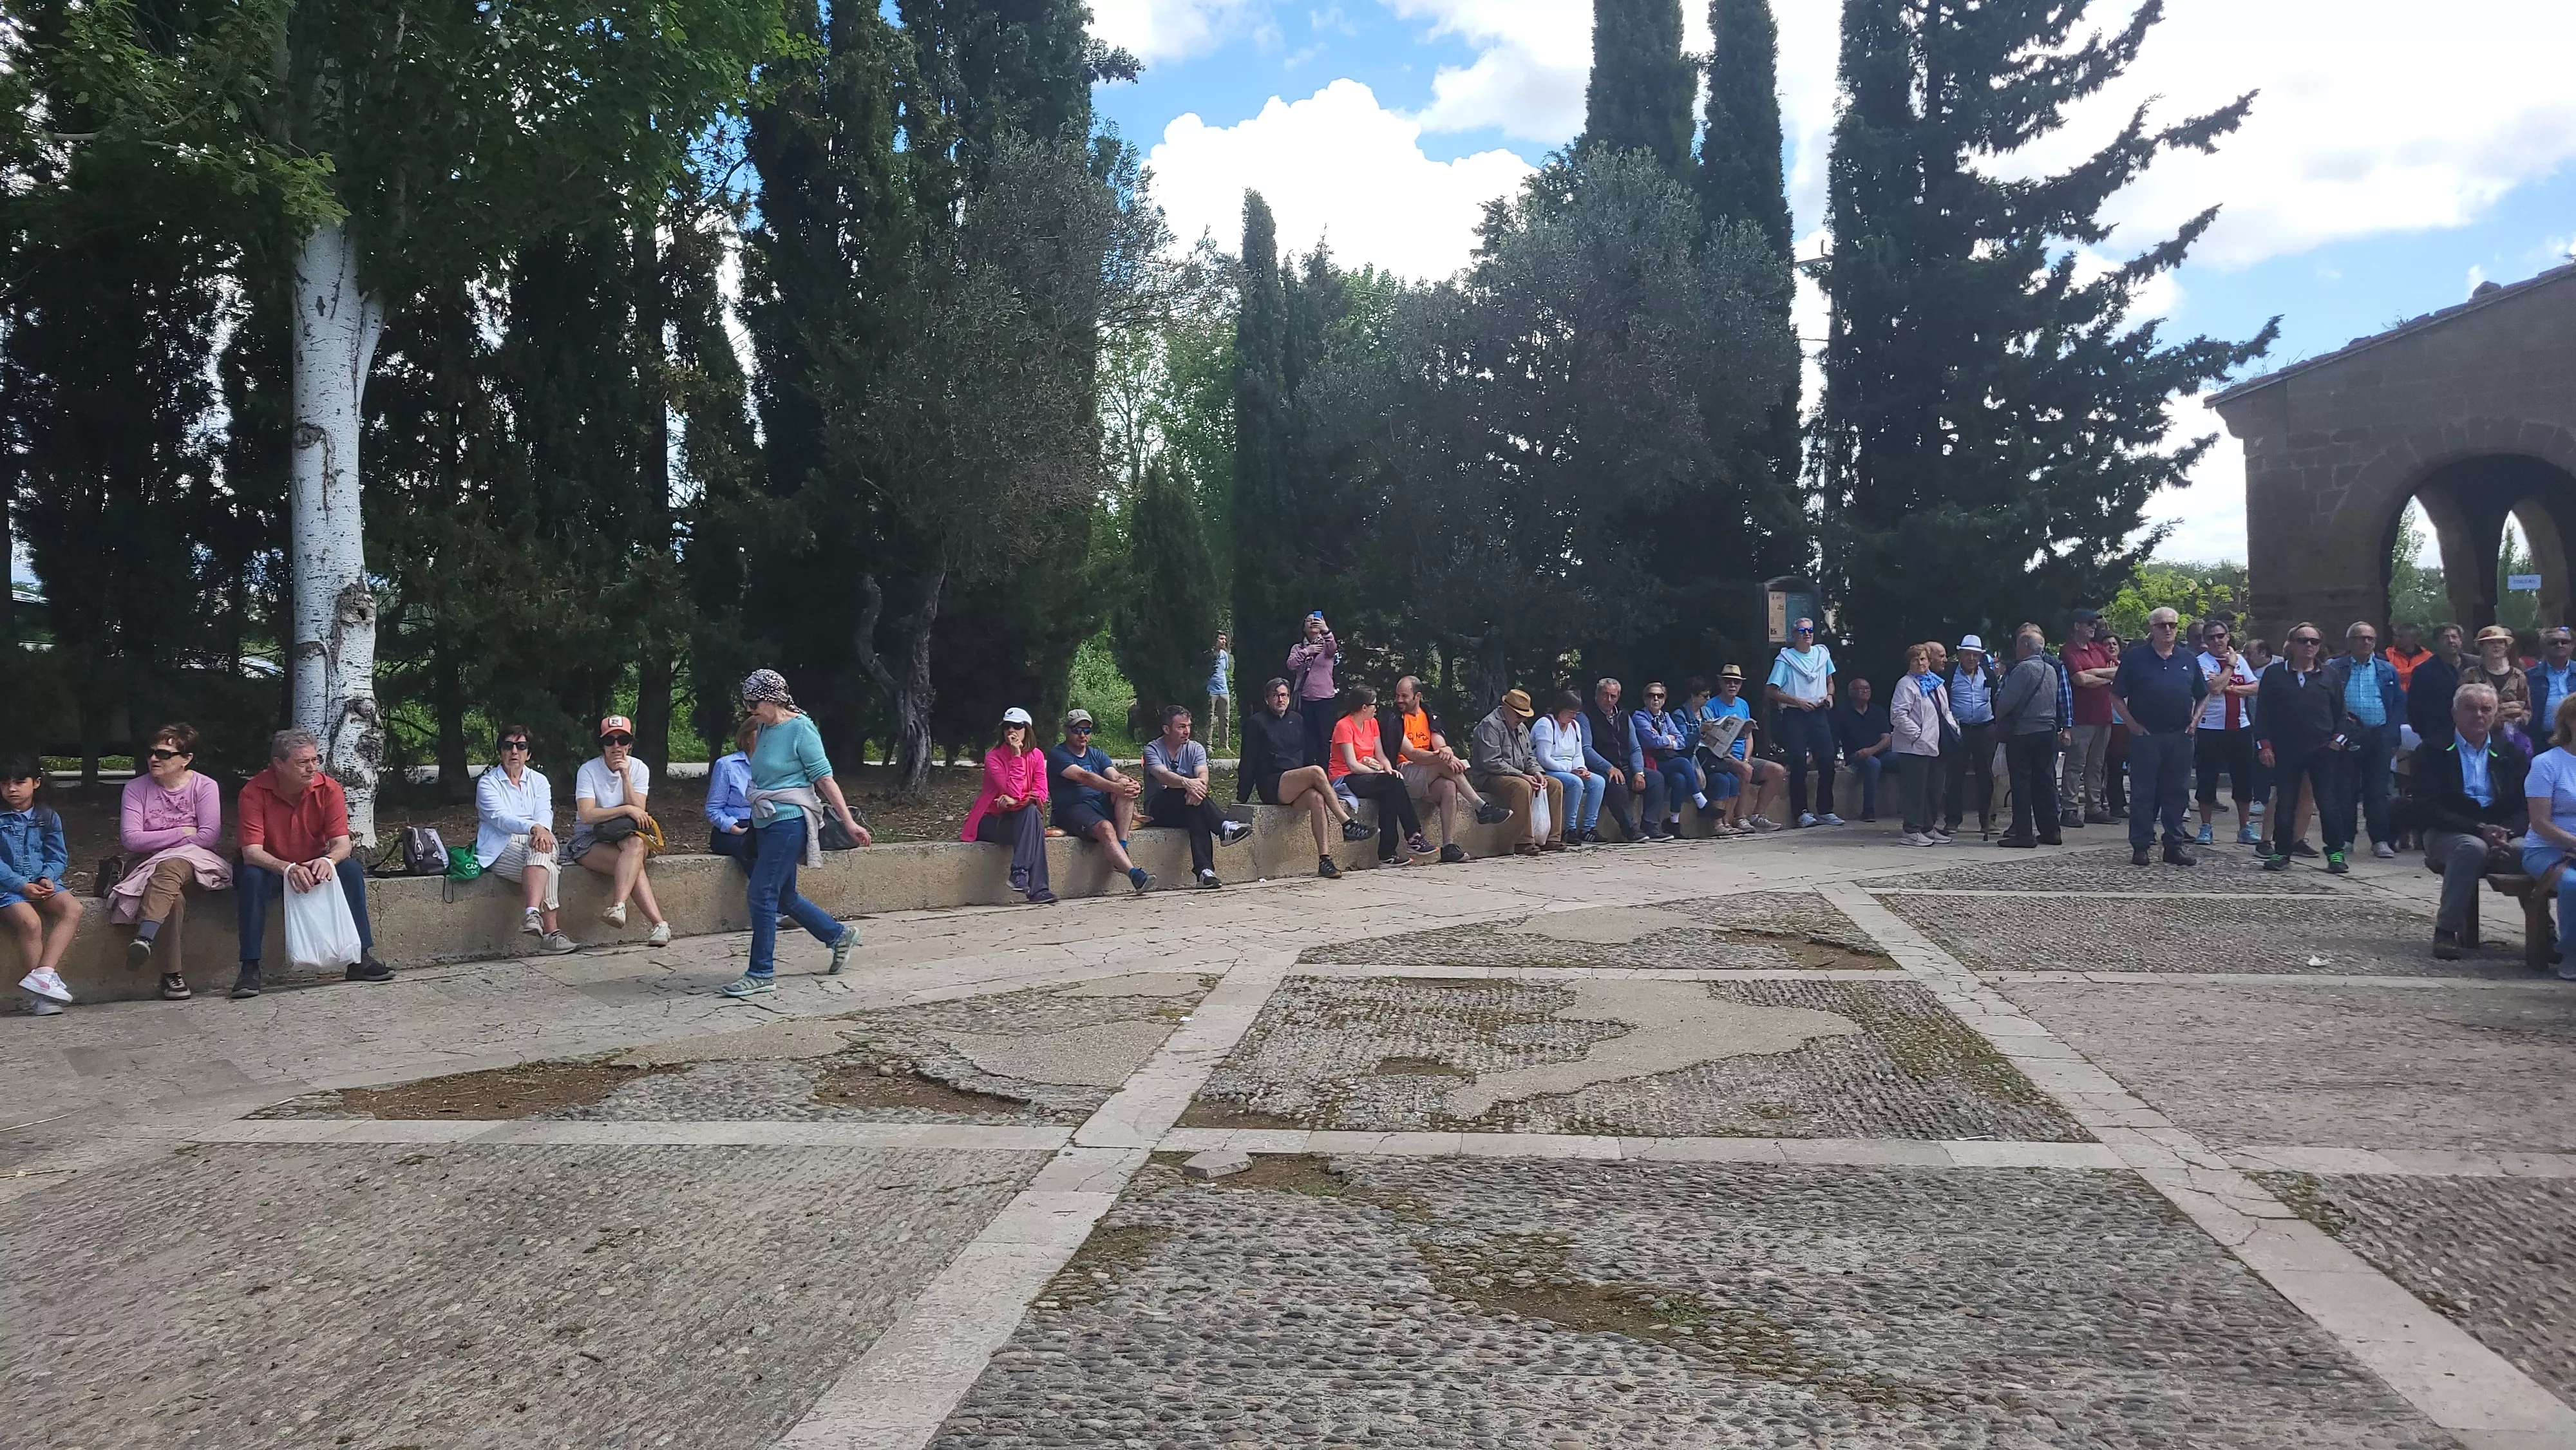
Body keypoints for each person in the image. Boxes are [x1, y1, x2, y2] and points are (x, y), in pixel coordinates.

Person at [728, 668, 869, 995]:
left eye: (753, 702)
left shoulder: (801, 730)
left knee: (761, 892)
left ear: (771, 698)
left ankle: (761, 972)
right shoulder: (763, 727)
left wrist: (848, 822)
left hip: (789, 821)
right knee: (784, 895)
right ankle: (837, 935)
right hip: (765, 820)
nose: (749, 710)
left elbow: (824, 779)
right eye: (746, 703)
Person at [234, 728, 387, 997]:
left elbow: (343, 843)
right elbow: (251, 852)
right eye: (302, 762)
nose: (312, 768)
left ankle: (360, 956)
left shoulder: (328, 788)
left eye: (315, 760)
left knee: (349, 869)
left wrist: (328, 861)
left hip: (314, 863)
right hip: (271, 866)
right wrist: (287, 868)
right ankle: (250, 967)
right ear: (279, 764)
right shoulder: (253, 792)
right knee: (250, 877)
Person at [2407, 682, 2526, 960]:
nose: (2479, 715)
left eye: (2486, 709)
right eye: (2470, 708)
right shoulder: (2432, 750)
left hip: (2501, 830)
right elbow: (2426, 807)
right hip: (2448, 830)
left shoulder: (2511, 753)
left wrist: (2508, 832)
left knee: (2529, 852)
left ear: (2495, 714)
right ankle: (2446, 931)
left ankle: (2544, 930)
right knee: (2472, 849)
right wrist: (2477, 829)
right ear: (2454, 713)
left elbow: (2525, 806)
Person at [111, 722, 229, 1000]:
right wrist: (182, 832)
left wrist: (159, 841)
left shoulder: (205, 786)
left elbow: (209, 836)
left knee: (172, 865)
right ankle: (171, 976)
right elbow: (131, 840)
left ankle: (145, 937)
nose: (154, 759)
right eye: (152, 753)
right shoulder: (135, 788)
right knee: (171, 898)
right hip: (143, 864)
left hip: (192, 862)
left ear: (186, 759)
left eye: (164, 754)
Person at [1242, 676, 1372, 878]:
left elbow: (1306, 753)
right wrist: (1242, 795)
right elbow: (1248, 761)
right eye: (1275, 696)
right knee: (1317, 771)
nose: (1280, 700)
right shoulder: (1256, 723)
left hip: (1298, 781)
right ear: (1267, 699)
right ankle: (1347, 824)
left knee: (1317, 799)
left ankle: (1325, 859)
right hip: (1272, 783)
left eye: (1284, 695)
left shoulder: (1297, 719)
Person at [2110, 607, 2208, 867]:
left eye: (2173, 625)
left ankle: (2174, 845)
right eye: (2163, 625)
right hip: (2147, 736)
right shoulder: (2136, 658)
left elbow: (2204, 693)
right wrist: (2131, 724)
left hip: (2180, 735)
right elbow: (2117, 694)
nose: (2168, 630)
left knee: (2177, 792)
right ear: (2152, 628)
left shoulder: (2187, 658)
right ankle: (2141, 845)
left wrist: (2195, 721)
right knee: (2144, 793)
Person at [2256, 623, 2353, 874]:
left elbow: (2341, 714)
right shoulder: (2275, 675)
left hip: (2323, 750)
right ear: (2291, 644)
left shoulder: (2330, 676)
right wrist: (2264, 745)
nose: (2308, 646)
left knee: (2328, 804)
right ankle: (2282, 852)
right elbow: (2263, 713)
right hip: (2286, 749)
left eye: (2314, 641)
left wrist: (2337, 742)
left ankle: (2335, 854)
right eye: (2302, 641)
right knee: (2285, 802)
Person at [475, 722, 578, 956]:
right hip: (501, 847)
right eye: (508, 746)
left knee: (542, 848)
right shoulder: (487, 783)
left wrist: (540, 830)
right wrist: (535, 828)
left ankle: (532, 913)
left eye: (521, 746)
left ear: (528, 753)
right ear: (500, 751)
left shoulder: (539, 781)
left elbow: (544, 812)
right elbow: (501, 819)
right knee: (549, 866)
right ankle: (551, 933)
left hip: (535, 840)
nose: (514, 752)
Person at [1385, 675, 1510, 862]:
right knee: (1444, 763)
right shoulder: (1394, 718)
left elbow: (1439, 744)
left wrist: (1446, 752)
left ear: (1418, 696)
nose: (1399, 700)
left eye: (1404, 696)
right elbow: (1411, 753)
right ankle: (1481, 807)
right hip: (1401, 773)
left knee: (1449, 788)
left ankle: (1449, 845)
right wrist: (1441, 757)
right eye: (1397, 696)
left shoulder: (1429, 715)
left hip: (1427, 772)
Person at [573, 715, 670, 944]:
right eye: (610, 741)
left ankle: (619, 906)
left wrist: (625, 776)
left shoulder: (639, 768)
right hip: (590, 838)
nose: (616, 746)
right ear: (602, 745)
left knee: (635, 846)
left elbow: (640, 814)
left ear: (630, 744)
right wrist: (625, 808)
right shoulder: (588, 770)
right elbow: (587, 815)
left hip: (627, 835)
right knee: (632, 866)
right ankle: (659, 925)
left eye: (622, 740)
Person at [2322, 621, 2406, 860]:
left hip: (2379, 734)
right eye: (2360, 638)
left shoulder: (2386, 669)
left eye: (2370, 638)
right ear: (2349, 642)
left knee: (2378, 790)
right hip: (2346, 735)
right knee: (2344, 790)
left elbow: (2398, 702)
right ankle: (2346, 838)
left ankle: (2380, 839)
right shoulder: (2335, 668)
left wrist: (2392, 733)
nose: (2365, 642)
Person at [1144, 703, 1251, 887]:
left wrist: (1195, 787)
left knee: (1196, 812)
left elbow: (1203, 776)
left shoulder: (1195, 748)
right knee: (1186, 782)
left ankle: (1204, 873)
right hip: (1158, 809)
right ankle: (1223, 826)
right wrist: (1187, 783)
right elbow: (1164, 777)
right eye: (1181, 727)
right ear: (1166, 729)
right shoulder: (1152, 749)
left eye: (1188, 726)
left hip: (1187, 804)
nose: (1187, 731)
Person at [3, 756, 80, 1013]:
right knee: (30, 923)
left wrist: (47, 877)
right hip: (7, 887)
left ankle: (44, 974)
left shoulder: (48, 816)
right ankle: (41, 1000)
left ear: (36, 783)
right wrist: (21, 885)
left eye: (19, 782)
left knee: (73, 908)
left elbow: (58, 855)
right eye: (5, 784)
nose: (11, 789)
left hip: (41, 882)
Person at [1048, 708, 1153, 894]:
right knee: (1105, 827)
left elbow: (1114, 775)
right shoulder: (1058, 755)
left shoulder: (1097, 754)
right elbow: (1084, 776)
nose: (1082, 735)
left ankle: (1121, 847)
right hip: (1073, 809)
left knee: (1126, 789)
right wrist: (1116, 787)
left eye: (1087, 731)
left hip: (1098, 804)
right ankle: (1135, 875)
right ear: (1066, 731)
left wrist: (1129, 783)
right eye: (1077, 730)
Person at [963, 708, 1057, 905]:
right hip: (991, 820)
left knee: (1032, 816)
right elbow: (1011, 790)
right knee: (1033, 820)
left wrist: (1018, 801)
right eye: (1007, 727)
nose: (1011, 731)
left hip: (1020, 818)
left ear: (1027, 730)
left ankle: (1021, 875)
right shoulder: (993, 757)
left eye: (1017, 726)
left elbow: (1042, 793)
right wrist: (1016, 756)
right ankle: (1036, 886)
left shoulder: (1037, 756)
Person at [1330, 684, 1425, 867]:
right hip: (1345, 778)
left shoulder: (1372, 723)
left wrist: (1388, 769)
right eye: (1375, 705)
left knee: (1391, 790)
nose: (1377, 709)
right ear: (1364, 707)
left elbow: (1380, 755)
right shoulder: (1344, 726)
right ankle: (1413, 834)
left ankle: (1387, 853)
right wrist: (1381, 773)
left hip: (1366, 774)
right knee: (1391, 782)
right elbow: (1352, 765)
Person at [2193, 617, 2264, 847]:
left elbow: (2255, 688)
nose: (2217, 641)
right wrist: (2230, 667)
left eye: (2220, 636)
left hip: (2240, 727)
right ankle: (2206, 827)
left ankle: (2245, 827)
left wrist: (2230, 687)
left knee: (2243, 779)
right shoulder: (2201, 662)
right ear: (2204, 641)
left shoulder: (2241, 660)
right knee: (2207, 778)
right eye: (2211, 637)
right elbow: (2212, 688)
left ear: (2228, 637)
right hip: (2209, 728)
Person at [1469, 688, 1567, 855]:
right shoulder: (1489, 726)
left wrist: (1537, 773)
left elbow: (1529, 757)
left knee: (1555, 784)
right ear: (1506, 708)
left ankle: (1552, 838)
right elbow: (1491, 762)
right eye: (1519, 715)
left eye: (1524, 716)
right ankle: (1524, 841)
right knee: (1522, 787)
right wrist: (1522, 775)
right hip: (1491, 777)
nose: (1521, 719)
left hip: (1519, 774)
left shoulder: (1521, 728)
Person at [2520, 693, 2576, 981]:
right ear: (2568, 721)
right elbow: (2540, 822)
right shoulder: (2546, 764)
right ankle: (2571, 955)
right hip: (2548, 849)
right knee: (2574, 884)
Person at [1765, 619, 1842, 827]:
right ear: (1794, 635)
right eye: (1802, 630)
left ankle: (1826, 809)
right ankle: (1801, 813)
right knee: (1799, 762)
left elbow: (1830, 682)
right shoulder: (1785, 659)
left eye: (1810, 630)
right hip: (1795, 714)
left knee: (1827, 759)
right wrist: (1797, 701)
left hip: (1818, 713)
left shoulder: (1822, 655)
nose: (1807, 634)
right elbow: (1771, 690)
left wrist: (1829, 696)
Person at [1995, 627, 2067, 849]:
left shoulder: (2023, 670)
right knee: (2045, 782)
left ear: (2026, 647)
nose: (2016, 649)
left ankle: (2023, 833)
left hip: (2024, 733)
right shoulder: (2051, 670)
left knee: (2021, 783)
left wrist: (1999, 717)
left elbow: (2006, 701)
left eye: (2018, 645)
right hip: (2048, 732)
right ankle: (2051, 830)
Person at [1691, 668, 1784, 834]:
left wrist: (1747, 758)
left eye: (1737, 681)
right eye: (1728, 681)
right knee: (1745, 771)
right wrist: (1740, 762)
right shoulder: (1711, 705)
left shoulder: (1743, 704)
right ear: (1720, 683)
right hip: (1723, 755)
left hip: (1743, 756)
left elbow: (1749, 736)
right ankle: (1739, 817)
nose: (1732, 685)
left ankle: (1758, 815)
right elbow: (1712, 740)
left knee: (1777, 771)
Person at [1889, 645, 1958, 847]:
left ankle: (1928, 827)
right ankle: (1912, 829)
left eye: (1924, 659)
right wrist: (1917, 735)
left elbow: (1945, 710)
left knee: (1934, 789)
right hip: (1915, 746)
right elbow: (1898, 715)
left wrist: (1954, 729)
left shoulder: (1936, 683)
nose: (1922, 664)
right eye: (1916, 660)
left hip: (1936, 743)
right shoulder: (1905, 685)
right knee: (1915, 789)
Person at [1582, 678, 1667, 842]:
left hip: (1626, 765)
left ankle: (1650, 826)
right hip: (1601, 767)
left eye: (1613, 696)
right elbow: (1587, 749)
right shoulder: (1586, 716)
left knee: (1656, 779)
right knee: (1616, 784)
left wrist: (1639, 772)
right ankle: (1630, 830)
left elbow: (1635, 748)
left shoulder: (1624, 716)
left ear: (1618, 697)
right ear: (1597, 695)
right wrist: (1609, 768)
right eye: (1605, 695)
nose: (1608, 700)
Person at [2061, 608, 2119, 827]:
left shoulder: (2097, 648)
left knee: (2096, 764)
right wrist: (2105, 674)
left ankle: (2094, 807)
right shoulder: (2068, 651)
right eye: (2090, 623)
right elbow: (2080, 680)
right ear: (2077, 625)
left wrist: (2095, 673)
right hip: (2081, 716)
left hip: (2104, 714)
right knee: (2076, 764)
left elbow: (2118, 670)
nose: (2095, 627)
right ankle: (2070, 808)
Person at [1632, 681, 1711, 836]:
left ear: (1664, 699)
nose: (1655, 699)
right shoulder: (1639, 717)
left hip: (1665, 759)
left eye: (1659, 696)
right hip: (1649, 761)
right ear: (1645, 699)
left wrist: (1664, 740)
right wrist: (1668, 739)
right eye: (1651, 696)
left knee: (1679, 779)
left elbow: (1681, 741)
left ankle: (1674, 823)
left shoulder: (1665, 717)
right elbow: (1652, 742)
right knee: (1682, 762)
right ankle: (1701, 801)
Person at [1532, 690, 1607, 844]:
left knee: (1598, 782)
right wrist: (1570, 771)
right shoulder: (1546, 724)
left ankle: (1589, 828)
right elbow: (1543, 758)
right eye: (1571, 712)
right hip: (1550, 769)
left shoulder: (1575, 726)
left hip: (1572, 769)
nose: (1573, 717)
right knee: (1575, 783)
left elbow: (1578, 753)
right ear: (1561, 709)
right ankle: (1569, 828)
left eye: (1576, 713)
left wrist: (1581, 768)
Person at [1943, 637, 1998, 836]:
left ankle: (1987, 820)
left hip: (1985, 729)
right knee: (1955, 775)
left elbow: (1995, 699)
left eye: (1976, 655)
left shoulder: (1988, 675)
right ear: (1960, 655)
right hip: (1960, 729)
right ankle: (1952, 819)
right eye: (1968, 654)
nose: (1971, 658)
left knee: (1986, 776)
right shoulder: (1950, 674)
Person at [1830, 676, 1894, 824]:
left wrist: (1872, 750)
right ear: (1851, 692)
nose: (1864, 691)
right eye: (1860, 689)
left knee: (1906, 761)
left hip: (1880, 753)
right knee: (1873, 764)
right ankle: (1868, 810)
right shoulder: (1842, 714)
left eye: (1867, 688)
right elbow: (1834, 739)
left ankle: (1912, 808)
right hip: (1856, 755)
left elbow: (1887, 738)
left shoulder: (1878, 711)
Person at [1287, 613, 1340, 772]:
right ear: (1303, 627)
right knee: (1307, 740)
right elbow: (1291, 665)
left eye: (1315, 620)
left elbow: (1333, 649)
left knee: (1324, 741)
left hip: (1325, 700)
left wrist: (1326, 630)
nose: (1312, 623)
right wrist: (1307, 651)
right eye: (1308, 621)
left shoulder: (1326, 645)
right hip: (1305, 699)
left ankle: (1324, 775)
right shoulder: (1298, 648)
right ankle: (1308, 774)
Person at [706, 719, 759, 867]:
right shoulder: (727, 765)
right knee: (753, 851)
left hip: (765, 826)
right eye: (760, 731)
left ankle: (785, 891)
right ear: (747, 737)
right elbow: (713, 809)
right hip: (734, 828)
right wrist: (735, 829)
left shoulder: (777, 767)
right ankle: (767, 891)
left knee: (781, 851)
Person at [2408, 623, 2467, 752]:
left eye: (2454, 637)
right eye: (2445, 638)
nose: (2451, 641)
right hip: (2438, 735)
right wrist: (2426, 734)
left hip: (2473, 733)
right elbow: (2414, 706)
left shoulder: (2475, 665)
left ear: (2461, 641)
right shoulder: (2424, 671)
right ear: (2436, 643)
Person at [2529, 626, 2576, 739]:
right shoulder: (2529, 677)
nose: (2560, 645)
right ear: (2543, 648)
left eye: (2565, 642)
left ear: (2572, 646)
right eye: (2553, 642)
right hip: (2542, 739)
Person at [2385, 622, 2431, 693]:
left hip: (2420, 696)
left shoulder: (2428, 656)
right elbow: (2389, 675)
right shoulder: (2388, 653)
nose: (2396, 639)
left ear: (2413, 638)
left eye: (2401, 636)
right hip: (2396, 697)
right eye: (2396, 636)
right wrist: (2418, 669)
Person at [1206, 632, 1233, 752]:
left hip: (1224, 690)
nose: (1224, 642)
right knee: (1209, 719)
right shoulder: (1208, 655)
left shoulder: (1225, 655)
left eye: (1225, 639)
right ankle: (1208, 745)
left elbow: (1225, 669)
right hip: (1211, 690)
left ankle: (1224, 745)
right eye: (1221, 639)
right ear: (1215, 640)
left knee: (1225, 718)